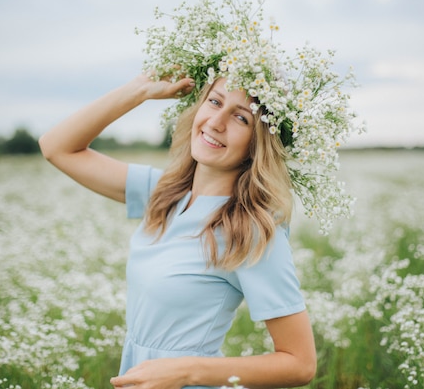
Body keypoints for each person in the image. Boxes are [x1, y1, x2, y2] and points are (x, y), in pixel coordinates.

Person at [38, 73, 317, 388]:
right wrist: (140, 90)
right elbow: (56, 147)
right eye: (214, 101)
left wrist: (188, 371)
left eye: (241, 118)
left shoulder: (249, 230)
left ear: (259, 142)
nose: (216, 122)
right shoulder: (163, 192)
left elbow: (300, 363)